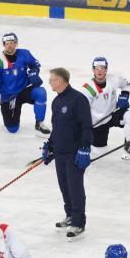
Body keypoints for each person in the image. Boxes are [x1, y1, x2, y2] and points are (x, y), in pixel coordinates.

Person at [42, 67, 93, 238]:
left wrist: (85, 148)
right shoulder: (56, 102)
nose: (50, 82)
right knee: (64, 187)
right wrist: (50, 145)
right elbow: (57, 128)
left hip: (75, 153)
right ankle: (70, 215)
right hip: (60, 153)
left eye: (52, 79)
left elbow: (86, 126)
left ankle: (79, 222)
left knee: (75, 188)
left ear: (61, 80)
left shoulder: (78, 99)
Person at [0, 32, 49, 135]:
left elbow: (35, 65)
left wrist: (34, 72)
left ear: (16, 43)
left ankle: (39, 122)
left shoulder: (25, 53)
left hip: (24, 89)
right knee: (13, 129)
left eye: (12, 42)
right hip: (9, 96)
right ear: (4, 45)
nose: (10, 45)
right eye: (7, 43)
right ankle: (13, 117)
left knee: (41, 92)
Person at [79, 56, 130, 161]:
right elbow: (81, 111)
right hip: (97, 122)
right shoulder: (88, 88)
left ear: (106, 69)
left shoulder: (114, 79)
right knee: (99, 152)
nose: (99, 71)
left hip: (113, 114)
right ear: (93, 70)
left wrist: (124, 95)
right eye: (97, 68)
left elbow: (126, 85)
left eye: (102, 68)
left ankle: (129, 144)